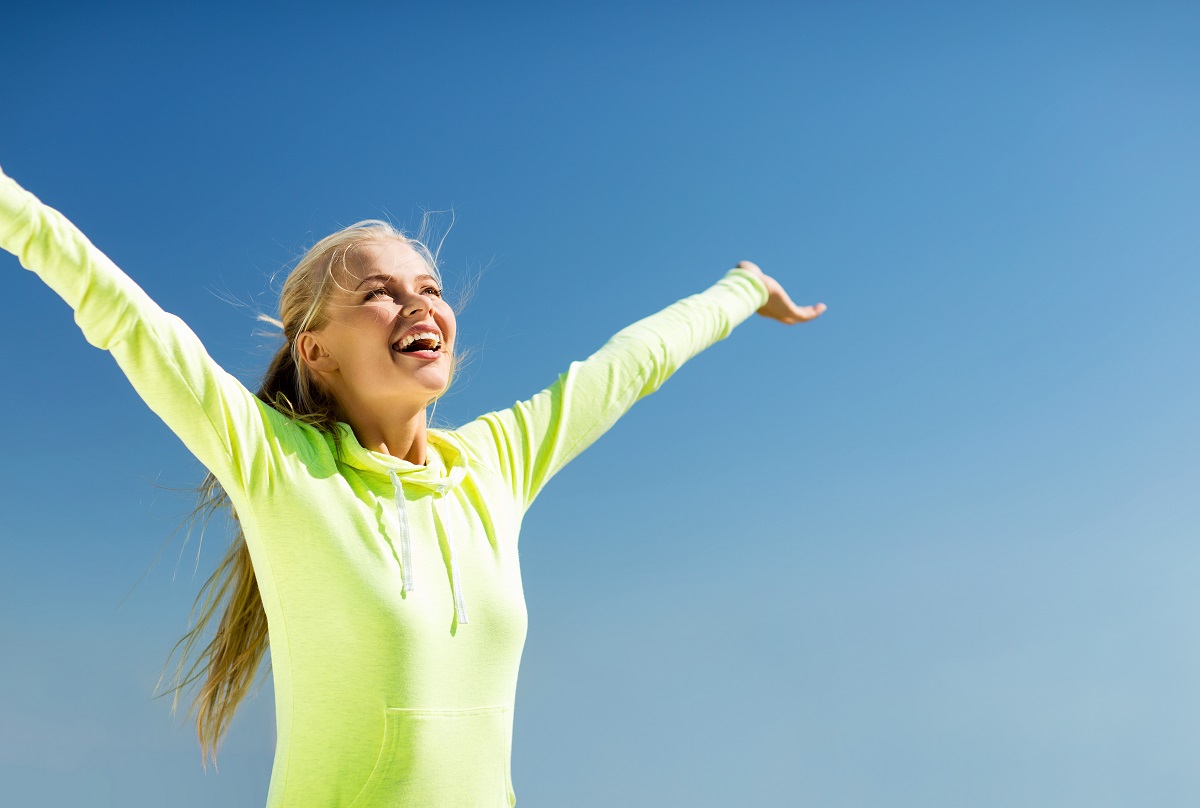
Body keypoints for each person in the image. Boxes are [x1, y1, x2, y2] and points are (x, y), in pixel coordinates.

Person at [0, 165, 826, 807]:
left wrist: (743, 290)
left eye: (428, 288)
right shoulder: (280, 467)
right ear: (315, 351)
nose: (416, 304)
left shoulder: (494, 465)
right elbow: (117, 309)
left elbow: (631, 363)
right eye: (378, 294)